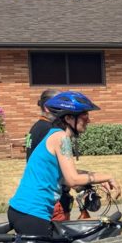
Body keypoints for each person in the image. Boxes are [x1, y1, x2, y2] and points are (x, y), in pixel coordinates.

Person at [7, 90, 121, 239]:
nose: (88, 120)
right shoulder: (61, 138)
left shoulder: (54, 134)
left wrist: (98, 179)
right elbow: (72, 179)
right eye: (84, 115)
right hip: (32, 212)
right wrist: (108, 176)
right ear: (68, 118)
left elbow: (66, 176)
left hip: (24, 210)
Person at [24, 88, 72, 221]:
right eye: (59, 106)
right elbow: (62, 171)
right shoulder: (50, 130)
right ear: (47, 107)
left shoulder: (37, 127)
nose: (64, 110)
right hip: (50, 198)